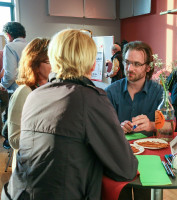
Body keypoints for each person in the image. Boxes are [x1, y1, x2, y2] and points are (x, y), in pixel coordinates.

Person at [1, 29, 138, 200]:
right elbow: (126, 168)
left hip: (17, 194)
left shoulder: (34, 95)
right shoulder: (90, 98)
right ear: (93, 64)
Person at [7, 38, 51, 171]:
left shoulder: (50, 89)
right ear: (35, 64)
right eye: (49, 62)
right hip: (28, 168)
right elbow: (14, 139)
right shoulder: (24, 91)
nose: (55, 66)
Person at [106, 41, 163, 134]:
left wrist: (152, 125)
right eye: (127, 62)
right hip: (119, 147)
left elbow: (171, 125)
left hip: (150, 146)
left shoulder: (159, 92)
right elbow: (100, 127)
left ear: (148, 67)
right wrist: (117, 129)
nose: (129, 69)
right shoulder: (110, 92)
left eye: (137, 64)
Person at [0, 22, 27, 149]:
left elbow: (10, 74)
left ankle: (8, 144)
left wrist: (3, 84)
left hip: (16, 91)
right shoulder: (30, 46)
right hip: (32, 90)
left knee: (10, 120)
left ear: (9, 35)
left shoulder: (10, 47)